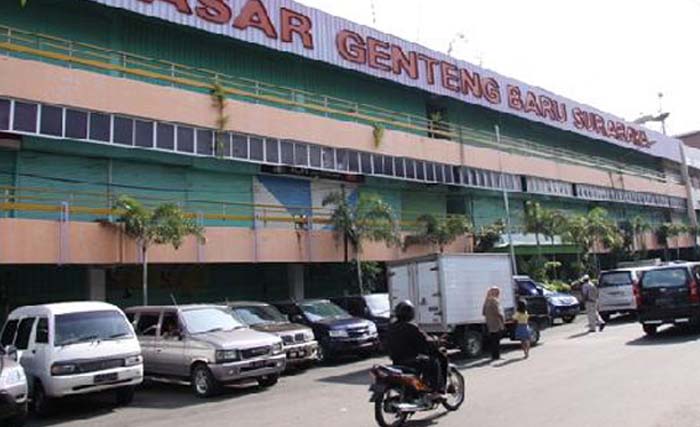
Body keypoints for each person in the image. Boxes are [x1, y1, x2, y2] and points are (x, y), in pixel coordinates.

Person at [386, 300, 447, 394]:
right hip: (411, 360)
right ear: (411, 313)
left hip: (396, 360)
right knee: (434, 362)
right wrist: (436, 341)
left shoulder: (391, 327)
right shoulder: (411, 327)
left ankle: (420, 387)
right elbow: (426, 340)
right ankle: (436, 391)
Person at [482, 287, 505, 361]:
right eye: (497, 292)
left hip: (489, 323)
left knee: (493, 340)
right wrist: (502, 321)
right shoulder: (495, 301)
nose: (499, 293)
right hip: (496, 323)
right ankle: (497, 356)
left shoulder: (486, 301)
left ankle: (494, 355)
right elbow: (498, 313)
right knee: (496, 340)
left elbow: (483, 313)